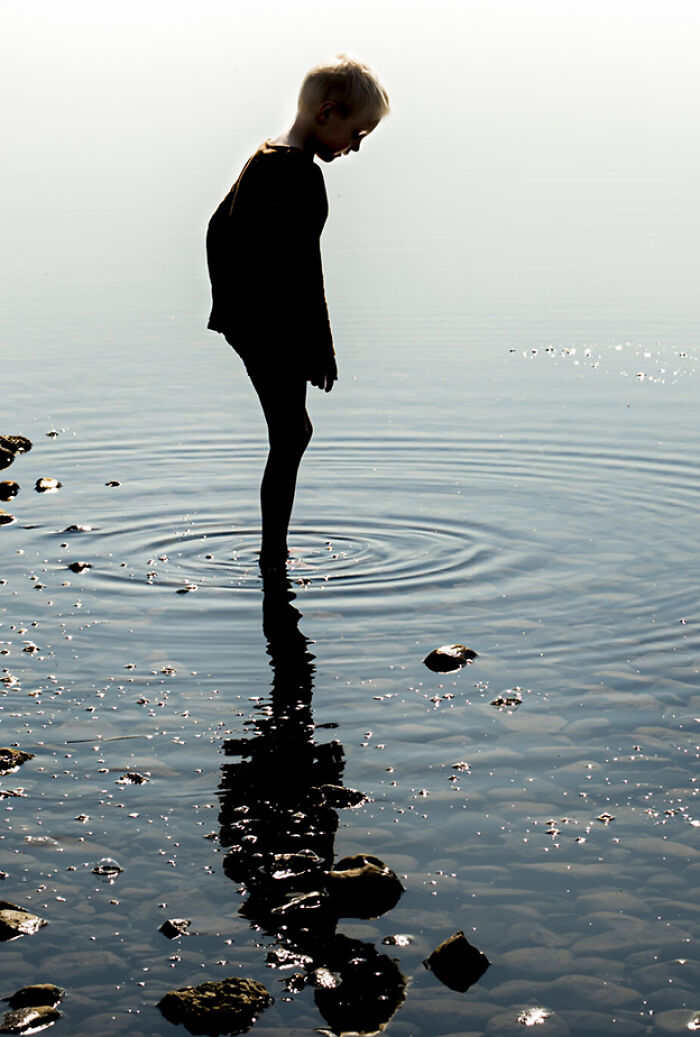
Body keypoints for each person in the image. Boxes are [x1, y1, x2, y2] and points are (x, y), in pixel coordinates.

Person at [206, 55, 389, 571]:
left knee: (293, 431)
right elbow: (307, 270)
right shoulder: (298, 174)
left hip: (251, 318)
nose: (353, 147)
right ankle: (273, 556)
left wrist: (227, 307)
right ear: (328, 112)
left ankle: (273, 551)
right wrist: (321, 348)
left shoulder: (265, 157)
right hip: (271, 324)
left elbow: (217, 229)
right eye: (355, 134)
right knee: (291, 433)